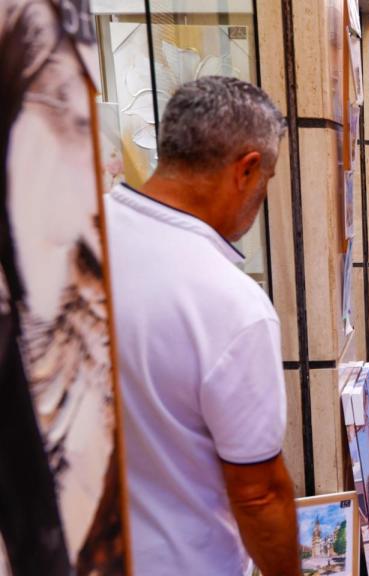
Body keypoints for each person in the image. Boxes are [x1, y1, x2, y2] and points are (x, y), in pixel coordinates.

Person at [105, 77, 300, 576]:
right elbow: (258, 494)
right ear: (248, 169)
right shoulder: (232, 305)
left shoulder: (73, 235)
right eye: (267, 181)